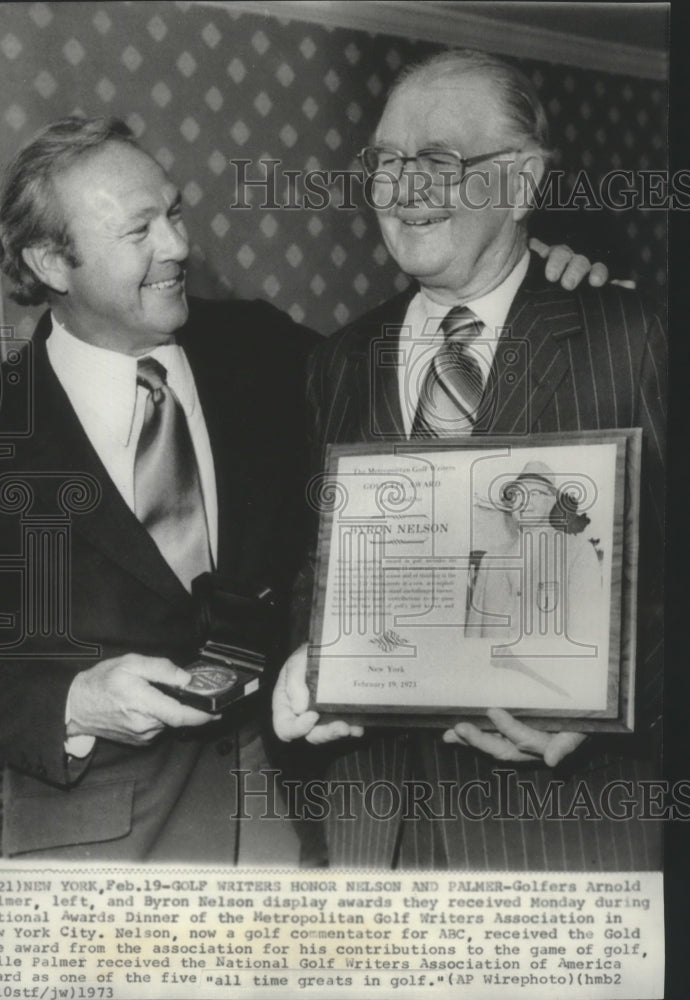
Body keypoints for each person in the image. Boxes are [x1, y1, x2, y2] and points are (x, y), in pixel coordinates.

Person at [274, 49, 666, 870]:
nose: (403, 189)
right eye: (385, 162)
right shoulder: (337, 361)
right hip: (376, 835)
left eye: (440, 163)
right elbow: (317, 571)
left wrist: (614, 705)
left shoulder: (633, 341)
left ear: (521, 185)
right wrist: (302, 658)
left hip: (558, 837)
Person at [0, 116, 318, 860]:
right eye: (140, 230)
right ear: (51, 262)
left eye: (174, 212)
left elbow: (395, 383)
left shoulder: (259, 348)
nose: (179, 246)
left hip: (281, 819)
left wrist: (528, 280)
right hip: (97, 843)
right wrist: (75, 700)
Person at [464, 460, 603, 648]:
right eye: (516, 495)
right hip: (491, 673)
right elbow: (472, 634)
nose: (524, 502)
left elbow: (585, 637)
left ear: (552, 501)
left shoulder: (578, 553)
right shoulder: (491, 559)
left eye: (535, 494)